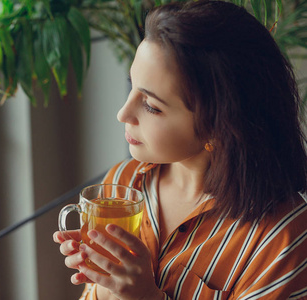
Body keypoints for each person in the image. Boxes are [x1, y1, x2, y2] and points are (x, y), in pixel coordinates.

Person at [53, 0, 307, 299]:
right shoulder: (122, 183)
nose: (123, 113)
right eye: (131, 85)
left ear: (219, 125)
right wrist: (102, 286)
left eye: (151, 106)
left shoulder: (282, 237)